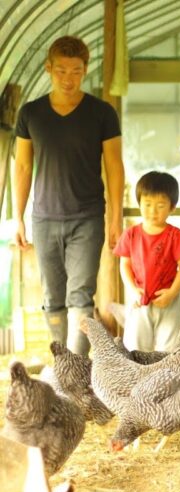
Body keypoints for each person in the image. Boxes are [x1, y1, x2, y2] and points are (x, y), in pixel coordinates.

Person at [13, 35, 124, 356]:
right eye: (61, 70)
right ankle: (61, 363)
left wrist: (115, 218)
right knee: (52, 297)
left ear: (85, 70)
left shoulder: (102, 113)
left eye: (75, 71)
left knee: (81, 296)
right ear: (48, 68)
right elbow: (22, 167)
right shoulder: (31, 113)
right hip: (44, 217)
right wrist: (18, 218)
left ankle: (77, 367)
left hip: (87, 218)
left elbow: (115, 167)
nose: (68, 78)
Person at [114, 171, 180, 352]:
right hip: (139, 299)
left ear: (172, 207)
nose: (152, 211)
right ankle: (138, 380)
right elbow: (124, 265)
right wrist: (133, 291)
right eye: (147, 204)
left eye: (160, 205)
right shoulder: (131, 234)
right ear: (139, 203)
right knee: (136, 348)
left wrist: (172, 293)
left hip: (169, 300)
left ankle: (164, 380)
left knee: (169, 348)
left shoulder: (176, 235)